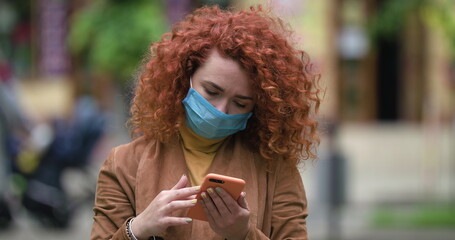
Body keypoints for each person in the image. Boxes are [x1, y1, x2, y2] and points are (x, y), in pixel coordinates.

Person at [90, 5, 321, 240]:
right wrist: (138, 229)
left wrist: (244, 234)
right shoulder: (123, 164)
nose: (220, 110)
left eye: (240, 103)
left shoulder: (275, 169)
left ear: (259, 108)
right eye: (211, 91)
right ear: (183, 78)